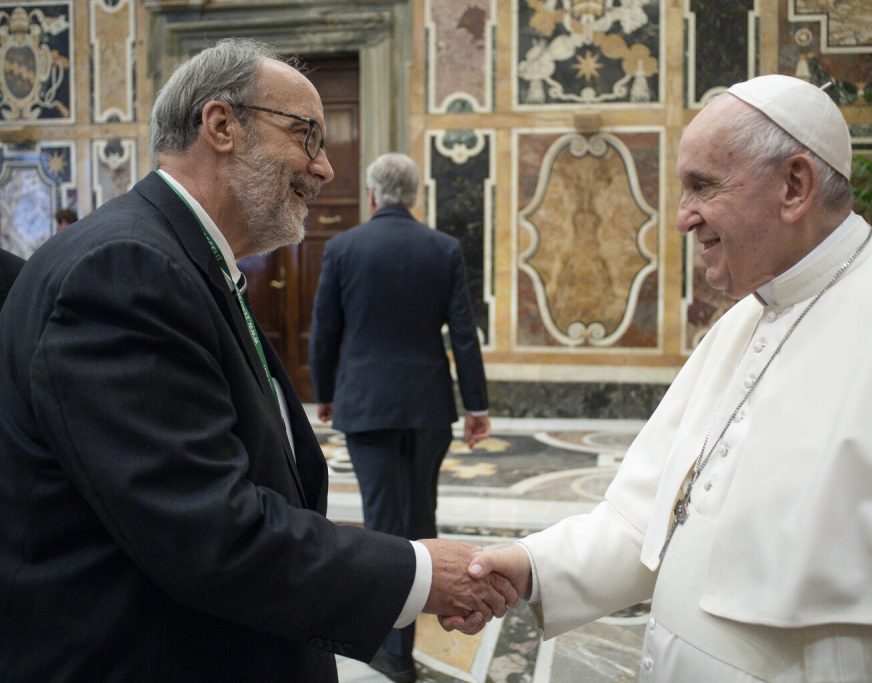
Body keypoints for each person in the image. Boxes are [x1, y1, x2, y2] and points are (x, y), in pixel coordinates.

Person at [451, 74, 872, 681]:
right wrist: (531, 565)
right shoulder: (743, 323)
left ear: (795, 186)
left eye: (702, 186)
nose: (681, 219)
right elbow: (647, 519)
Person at [0, 39, 516, 683]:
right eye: (307, 135)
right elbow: (206, 532)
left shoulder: (179, 259)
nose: (325, 168)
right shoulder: (125, 269)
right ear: (220, 125)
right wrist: (415, 573)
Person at [309, 152, 491, 682]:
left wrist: (325, 393)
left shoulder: (343, 247)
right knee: (420, 515)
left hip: (365, 403)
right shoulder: (443, 248)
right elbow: (463, 332)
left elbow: (325, 331)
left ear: (371, 195)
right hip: (429, 406)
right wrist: (476, 405)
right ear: (413, 196)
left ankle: (395, 649)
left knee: (385, 523)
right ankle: (419, 627)